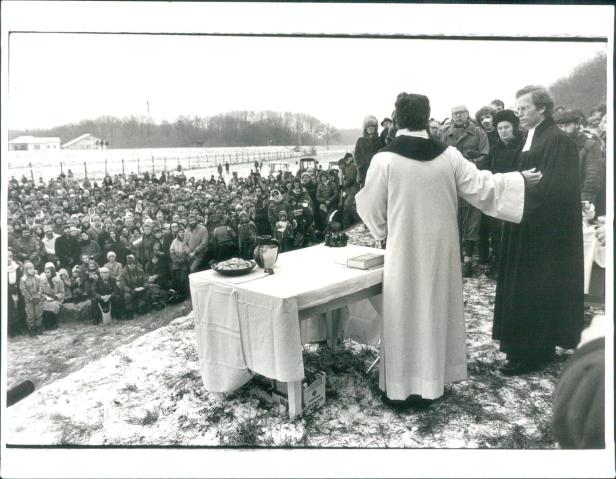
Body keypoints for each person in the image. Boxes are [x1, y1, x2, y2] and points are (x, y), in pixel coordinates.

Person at [356, 92, 541, 407]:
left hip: (404, 248)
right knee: (434, 310)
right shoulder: (449, 155)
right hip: (442, 249)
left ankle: (402, 389)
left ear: (397, 119)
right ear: (427, 118)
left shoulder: (384, 159)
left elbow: (371, 208)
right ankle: (433, 382)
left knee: (404, 312)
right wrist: (517, 180)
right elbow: (482, 186)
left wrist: (383, 230)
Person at [493, 85, 584, 375]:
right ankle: (520, 349)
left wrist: (519, 192)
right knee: (524, 289)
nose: (519, 113)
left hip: (542, 232)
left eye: (524, 108)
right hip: (525, 224)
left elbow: (553, 189)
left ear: (542, 108)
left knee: (535, 289)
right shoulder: (531, 136)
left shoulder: (557, 141)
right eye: (518, 108)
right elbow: (526, 179)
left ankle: (532, 353)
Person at [440, 104, 490, 277]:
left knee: (472, 224)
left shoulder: (478, 133)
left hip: (471, 182)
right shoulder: (445, 134)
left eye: (461, 113)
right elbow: (439, 157)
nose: (458, 116)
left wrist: (468, 166)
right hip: (452, 186)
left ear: (467, 114)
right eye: (455, 113)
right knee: (454, 223)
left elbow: (485, 155)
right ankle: (457, 261)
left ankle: (468, 261)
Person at [485, 109, 525, 278]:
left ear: (514, 127)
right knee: (496, 231)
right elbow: (488, 168)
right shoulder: (495, 149)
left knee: (514, 231)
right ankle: (497, 265)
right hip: (499, 193)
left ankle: (514, 267)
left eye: (506, 127)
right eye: (500, 128)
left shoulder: (524, 146)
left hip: (518, 193)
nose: (503, 131)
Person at [553, 109, 604, 207]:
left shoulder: (590, 144)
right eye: (560, 126)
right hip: (560, 198)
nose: (563, 129)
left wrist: (585, 201)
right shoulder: (557, 144)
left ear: (577, 124)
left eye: (567, 125)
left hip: (581, 198)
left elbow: (593, 177)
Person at [119, 254, 150, 319]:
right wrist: (130, 290)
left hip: (140, 289)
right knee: (127, 296)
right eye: (130, 264)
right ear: (127, 264)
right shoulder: (123, 273)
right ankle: (130, 312)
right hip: (129, 290)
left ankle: (140, 307)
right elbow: (122, 285)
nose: (132, 265)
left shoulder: (140, 271)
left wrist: (144, 287)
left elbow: (146, 281)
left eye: (133, 263)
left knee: (148, 291)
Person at [354, 115, 381, 187]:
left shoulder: (380, 140)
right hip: (364, 172)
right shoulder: (360, 141)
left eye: (373, 126)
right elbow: (356, 156)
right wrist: (361, 165)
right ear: (365, 128)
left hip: (377, 171)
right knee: (364, 193)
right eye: (369, 126)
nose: (371, 128)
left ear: (376, 128)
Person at [20, 261, 44, 336]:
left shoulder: (38, 277)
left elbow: (41, 287)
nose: (31, 270)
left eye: (32, 268)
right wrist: (30, 298)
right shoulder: (23, 279)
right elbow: (23, 290)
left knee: (38, 314)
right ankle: (32, 328)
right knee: (31, 315)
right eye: (29, 269)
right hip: (29, 300)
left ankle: (38, 327)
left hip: (37, 298)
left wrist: (38, 296)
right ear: (26, 270)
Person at [39, 263, 65, 330]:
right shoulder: (43, 282)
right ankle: (47, 324)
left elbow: (62, 292)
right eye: (45, 272)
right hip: (47, 299)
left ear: (52, 272)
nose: (47, 274)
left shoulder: (59, 281)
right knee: (45, 306)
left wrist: (56, 296)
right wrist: (44, 297)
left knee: (54, 305)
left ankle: (54, 323)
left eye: (48, 272)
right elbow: (41, 292)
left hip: (56, 299)